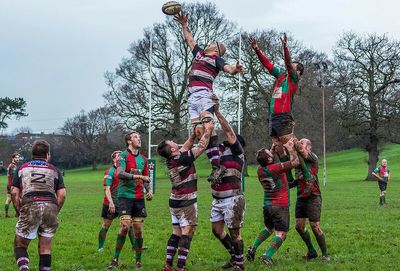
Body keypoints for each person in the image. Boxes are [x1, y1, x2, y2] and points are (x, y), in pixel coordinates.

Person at [174, 11, 244, 182]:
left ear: (217, 49)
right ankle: (216, 166)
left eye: (212, 43)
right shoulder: (199, 54)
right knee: (199, 132)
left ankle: (216, 166)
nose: (209, 43)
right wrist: (184, 25)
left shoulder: (216, 60)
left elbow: (229, 69)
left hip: (205, 95)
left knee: (208, 127)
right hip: (191, 99)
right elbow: (189, 40)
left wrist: (236, 69)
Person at [157, 112, 214, 271]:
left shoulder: (172, 159)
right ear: (172, 148)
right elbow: (201, 147)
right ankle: (181, 266)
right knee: (187, 231)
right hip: (186, 200)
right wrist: (207, 130)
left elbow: (186, 146)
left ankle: (168, 265)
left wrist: (193, 134)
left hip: (174, 200)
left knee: (176, 232)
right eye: (172, 142)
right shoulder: (182, 158)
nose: (175, 142)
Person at [11, 140, 66, 271]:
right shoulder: (55, 170)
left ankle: (24, 268)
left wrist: (19, 210)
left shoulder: (22, 168)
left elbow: (14, 193)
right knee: (45, 247)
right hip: (50, 207)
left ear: (33, 154)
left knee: (20, 244)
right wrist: (55, 210)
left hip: (30, 205)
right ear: (47, 155)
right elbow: (62, 195)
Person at [249, 34, 304, 157]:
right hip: (273, 117)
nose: (288, 68)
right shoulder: (281, 75)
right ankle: (286, 177)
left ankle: (306, 173)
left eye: (292, 68)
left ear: (298, 73)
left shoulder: (294, 79)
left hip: (283, 117)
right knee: (278, 149)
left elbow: (288, 64)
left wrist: (285, 47)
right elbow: (267, 64)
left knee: (290, 147)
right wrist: (256, 49)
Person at [207, 98, 246, 271]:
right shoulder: (220, 153)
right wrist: (208, 115)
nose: (226, 141)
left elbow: (229, 132)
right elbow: (212, 137)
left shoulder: (238, 153)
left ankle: (240, 264)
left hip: (233, 199)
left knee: (235, 232)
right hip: (217, 199)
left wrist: (218, 112)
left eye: (230, 140)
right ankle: (233, 255)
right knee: (216, 230)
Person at [246, 140, 299, 266]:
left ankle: (252, 248)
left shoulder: (260, 170)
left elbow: (268, 159)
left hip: (267, 206)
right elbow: (295, 162)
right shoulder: (275, 168)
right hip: (280, 206)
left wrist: (272, 149)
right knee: (281, 234)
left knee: (268, 228)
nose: (271, 152)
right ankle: (267, 255)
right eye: (270, 153)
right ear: (269, 159)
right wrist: (290, 148)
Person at [108, 131, 153, 269]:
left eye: (140, 137)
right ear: (129, 141)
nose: (139, 139)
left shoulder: (144, 160)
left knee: (138, 230)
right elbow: (120, 173)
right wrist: (139, 177)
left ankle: (138, 261)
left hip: (139, 198)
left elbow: (146, 179)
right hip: (125, 196)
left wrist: (149, 190)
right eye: (135, 137)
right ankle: (115, 260)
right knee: (125, 227)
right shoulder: (123, 155)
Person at [290, 138, 329, 261]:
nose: (300, 145)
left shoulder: (313, 157)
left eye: (303, 143)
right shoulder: (298, 160)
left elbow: (302, 152)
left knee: (315, 226)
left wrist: (293, 141)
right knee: (299, 226)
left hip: (313, 196)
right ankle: (311, 251)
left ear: (309, 147)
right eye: (299, 143)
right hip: (301, 196)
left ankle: (325, 254)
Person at [98, 150, 132, 252]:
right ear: (114, 159)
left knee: (129, 225)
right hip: (110, 204)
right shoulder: (110, 172)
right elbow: (106, 189)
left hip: (123, 203)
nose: (121, 157)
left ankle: (135, 246)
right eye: (119, 156)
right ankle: (100, 248)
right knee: (106, 226)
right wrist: (111, 203)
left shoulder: (125, 171)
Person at [5, 152, 19, 218]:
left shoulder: (9, 165)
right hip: (12, 185)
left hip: (8, 184)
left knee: (8, 199)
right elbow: (14, 177)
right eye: (16, 157)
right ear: (13, 158)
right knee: (16, 199)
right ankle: (17, 213)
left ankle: (6, 214)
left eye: (18, 157)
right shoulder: (13, 166)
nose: (18, 159)